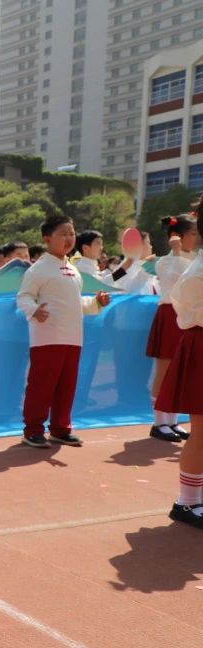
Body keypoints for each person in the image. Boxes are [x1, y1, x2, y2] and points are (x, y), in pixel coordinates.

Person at [17, 216, 110, 448]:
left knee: (66, 385)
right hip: (47, 337)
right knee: (42, 385)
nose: (69, 238)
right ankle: (33, 430)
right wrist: (34, 310)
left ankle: (60, 428)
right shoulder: (38, 269)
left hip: (73, 336)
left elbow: (75, 302)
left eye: (71, 233)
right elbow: (24, 296)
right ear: (47, 239)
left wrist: (96, 302)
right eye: (63, 234)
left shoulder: (72, 269)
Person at [156, 195, 203, 529]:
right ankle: (186, 503)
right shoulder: (194, 269)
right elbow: (182, 304)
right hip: (201, 342)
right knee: (201, 430)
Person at [147, 214, 198, 442]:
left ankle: (173, 420)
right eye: (193, 233)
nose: (197, 237)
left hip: (189, 318)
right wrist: (176, 252)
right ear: (177, 236)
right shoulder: (165, 260)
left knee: (180, 370)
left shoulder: (197, 257)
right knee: (165, 369)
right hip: (169, 315)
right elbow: (175, 280)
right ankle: (159, 422)